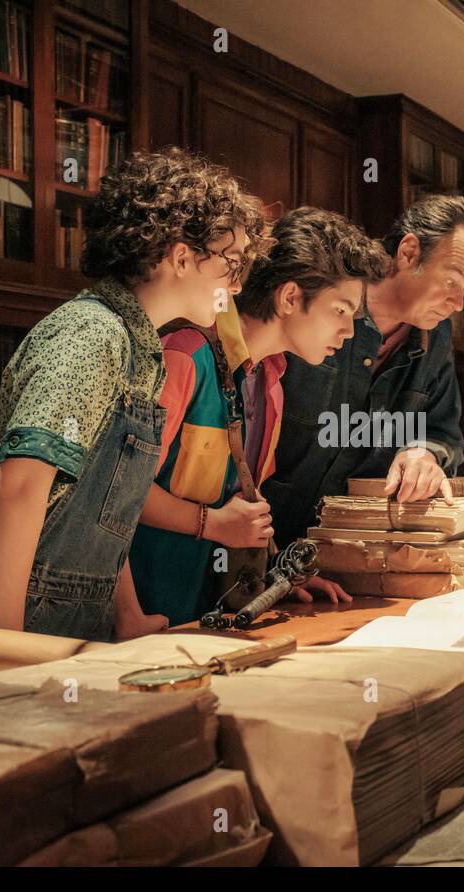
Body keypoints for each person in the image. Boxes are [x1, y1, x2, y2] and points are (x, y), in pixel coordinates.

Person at [0, 148, 268, 641]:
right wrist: (7, 646)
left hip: (70, 626)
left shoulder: (140, 349)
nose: (236, 286)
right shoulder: (91, 333)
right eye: (231, 264)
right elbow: (17, 486)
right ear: (182, 256)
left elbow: (110, 505)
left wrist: (127, 614)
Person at [125, 207, 391, 625]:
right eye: (341, 311)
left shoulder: (271, 381)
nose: (350, 332)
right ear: (289, 298)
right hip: (143, 618)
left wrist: (275, 581)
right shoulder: (185, 355)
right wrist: (210, 524)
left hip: (207, 617)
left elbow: (240, 510)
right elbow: (119, 492)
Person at [262, 194, 464, 548]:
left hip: (350, 551)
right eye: (452, 281)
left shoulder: (436, 336)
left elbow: (443, 431)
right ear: (409, 252)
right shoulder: (321, 303)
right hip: (257, 544)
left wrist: (423, 453)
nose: (459, 304)